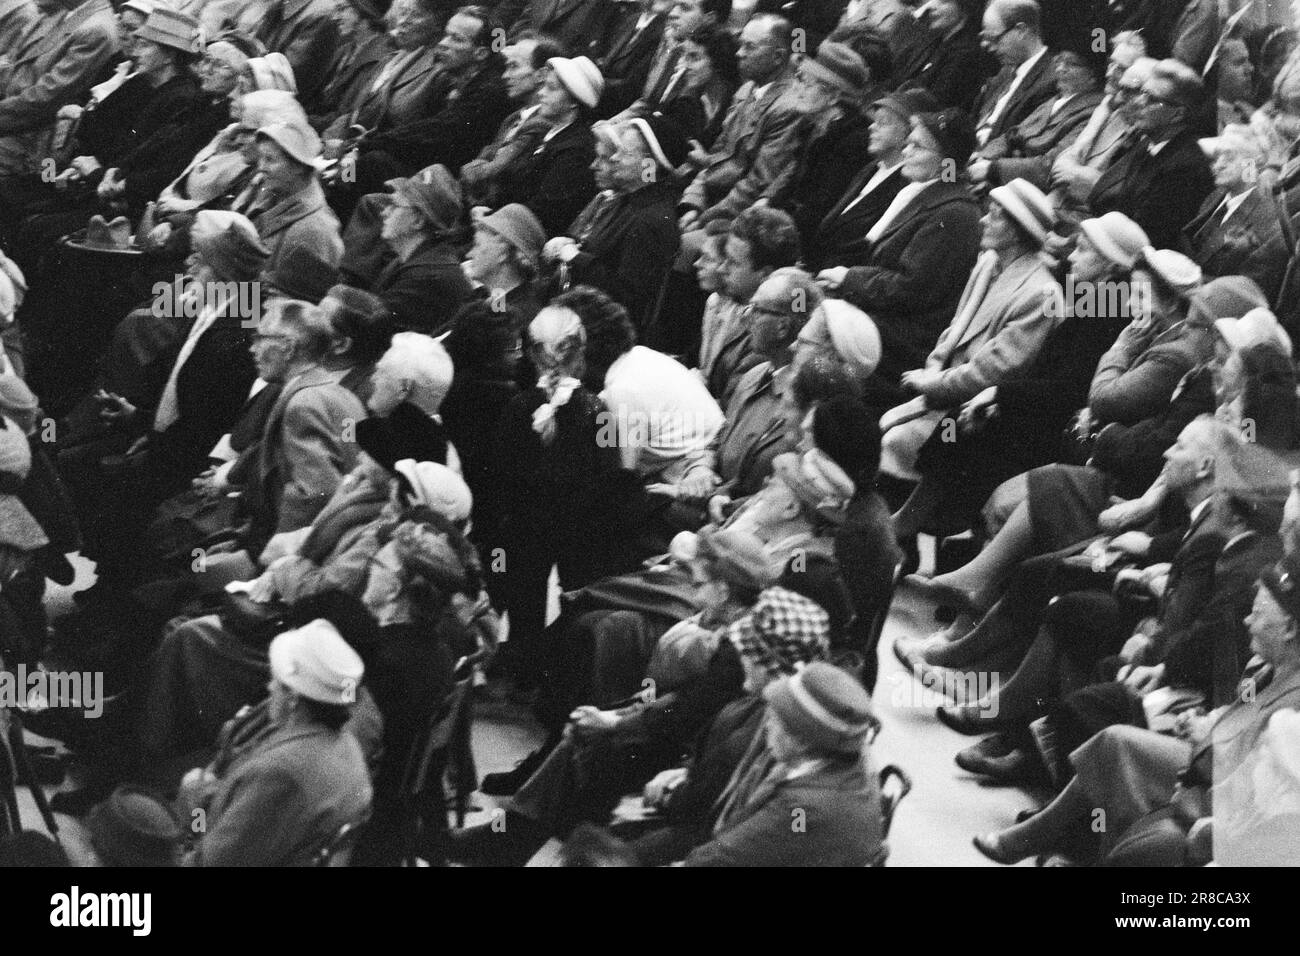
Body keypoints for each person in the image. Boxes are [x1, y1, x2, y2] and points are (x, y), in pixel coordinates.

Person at [878, 178, 1062, 498]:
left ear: (1018, 230)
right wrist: (932, 371)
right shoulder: (989, 262)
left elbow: (993, 371)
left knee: (896, 439)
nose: (983, 220)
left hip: (973, 412)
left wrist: (932, 384)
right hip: (944, 388)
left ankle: (907, 533)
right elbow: (954, 330)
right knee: (884, 422)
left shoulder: (1041, 294)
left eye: (995, 215)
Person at [816, 108, 983, 410]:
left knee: (817, 325)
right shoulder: (927, 196)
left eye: (917, 146)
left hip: (906, 337)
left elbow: (912, 288)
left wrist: (849, 277)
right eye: (908, 143)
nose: (906, 151)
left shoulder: (955, 213)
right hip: (885, 318)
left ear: (946, 161)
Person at [492, 306, 619, 687]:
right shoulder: (599, 412)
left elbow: (500, 468)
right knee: (576, 600)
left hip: (524, 525)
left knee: (524, 600)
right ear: (581, 354)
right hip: (579, 526)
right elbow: (608, 470)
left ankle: (522, 673)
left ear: (532, 355)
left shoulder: (516, 408)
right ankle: (564, 674)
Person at [183, 619, 372, 866]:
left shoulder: (279, 774)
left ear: (293, 699)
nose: (269, 687)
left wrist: (196, 818)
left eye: (275, 681)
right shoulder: (347, 744)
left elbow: (210, 862)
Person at [683, 660, 882, 866]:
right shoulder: (852, 760)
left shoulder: (801, 812)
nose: (767, 725)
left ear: (802, 739)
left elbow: (719, 859)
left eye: (775, 718)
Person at [542, 114, 686, 332]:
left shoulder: (651, 220)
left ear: (649, 165)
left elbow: (626, 296)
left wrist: (576, 258)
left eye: (624, 153)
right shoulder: (626, 200)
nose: (614, 158)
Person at [676, 14, 803, 230]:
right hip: (711, 200)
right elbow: (717, 157)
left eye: (749, 47)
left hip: (739, 217)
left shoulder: (788, 108)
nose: (739, 53)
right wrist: (693, 203)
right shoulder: (747, 90)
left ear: (778, 56)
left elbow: (756, 183)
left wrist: (703, 218)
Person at [1087, 58, 1215, 250]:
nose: (1139, 102)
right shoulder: (1148, 142)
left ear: (1178, 114)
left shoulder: (1186, 168)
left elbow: (1144, 238)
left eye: (1152, 99)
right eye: (1142, 93)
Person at [810, 87, 938, 272]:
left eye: (883, 122)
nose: (872, 126)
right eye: (874, 120)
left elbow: (868, 248)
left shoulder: (906, 187)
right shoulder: (870, 169)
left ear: (908, 134)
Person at [0, 0, 119, 184]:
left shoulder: (96, 31)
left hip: (38, 148)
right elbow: (13, 65)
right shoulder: (61, 12)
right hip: (16, 129)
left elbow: (46, 99)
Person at [494, 54, 602, 235]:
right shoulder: (546, 133)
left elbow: (543, 210)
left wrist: (493, 217)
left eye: (551, 88)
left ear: (574, 102)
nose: (541, 93)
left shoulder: (577, 150)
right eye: (543, 85)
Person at [366, 164, 474, 334]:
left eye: (394, 205)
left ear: (418, 221)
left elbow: (369, 330)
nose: (384, 212)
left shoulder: (425, 278)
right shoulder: (419, 260)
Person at [250, 120, 344, 271]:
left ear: (299, 166)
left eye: (270, 159)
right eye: (261, 158)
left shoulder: (315, 231)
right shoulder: (270, 192)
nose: (261, 167)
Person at [970, 0, 1056, 149]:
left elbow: (1019, 141)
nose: (987, 46)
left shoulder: (1050, 80)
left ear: (1022, 30)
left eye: (994, 38)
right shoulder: (1004, 72)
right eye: (984, 38)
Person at [461, 202, 547, 330]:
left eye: (477, 245)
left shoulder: (517, 320)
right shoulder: (495, 299)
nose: (469, 254)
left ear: (503, 253)